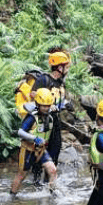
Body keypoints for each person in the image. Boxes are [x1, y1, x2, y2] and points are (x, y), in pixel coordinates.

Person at [15, 50, 71, 178]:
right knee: (39, 149)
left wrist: (66, 104)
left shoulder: (61, 82)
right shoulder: (43, 79)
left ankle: (49, 180)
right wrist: (48, 105)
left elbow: (59, 98)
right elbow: (34, 94)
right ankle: (36, 180)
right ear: (59, 67)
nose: (67, 69)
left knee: (55, 148)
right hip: (42, 120)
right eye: (66, 66)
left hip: (54, 121)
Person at [10, 88, 60, 195]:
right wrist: (34, 139)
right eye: (43, 106)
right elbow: (20, 132)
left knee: (52, 170)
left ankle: (52, 194)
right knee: (21, 175)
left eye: (48, 106)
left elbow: (59, 105)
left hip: (41, 150)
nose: (46, 108)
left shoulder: (50, 115)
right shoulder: (32, 117)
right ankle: (12, 196)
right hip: (27, 150)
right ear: (37, 104)